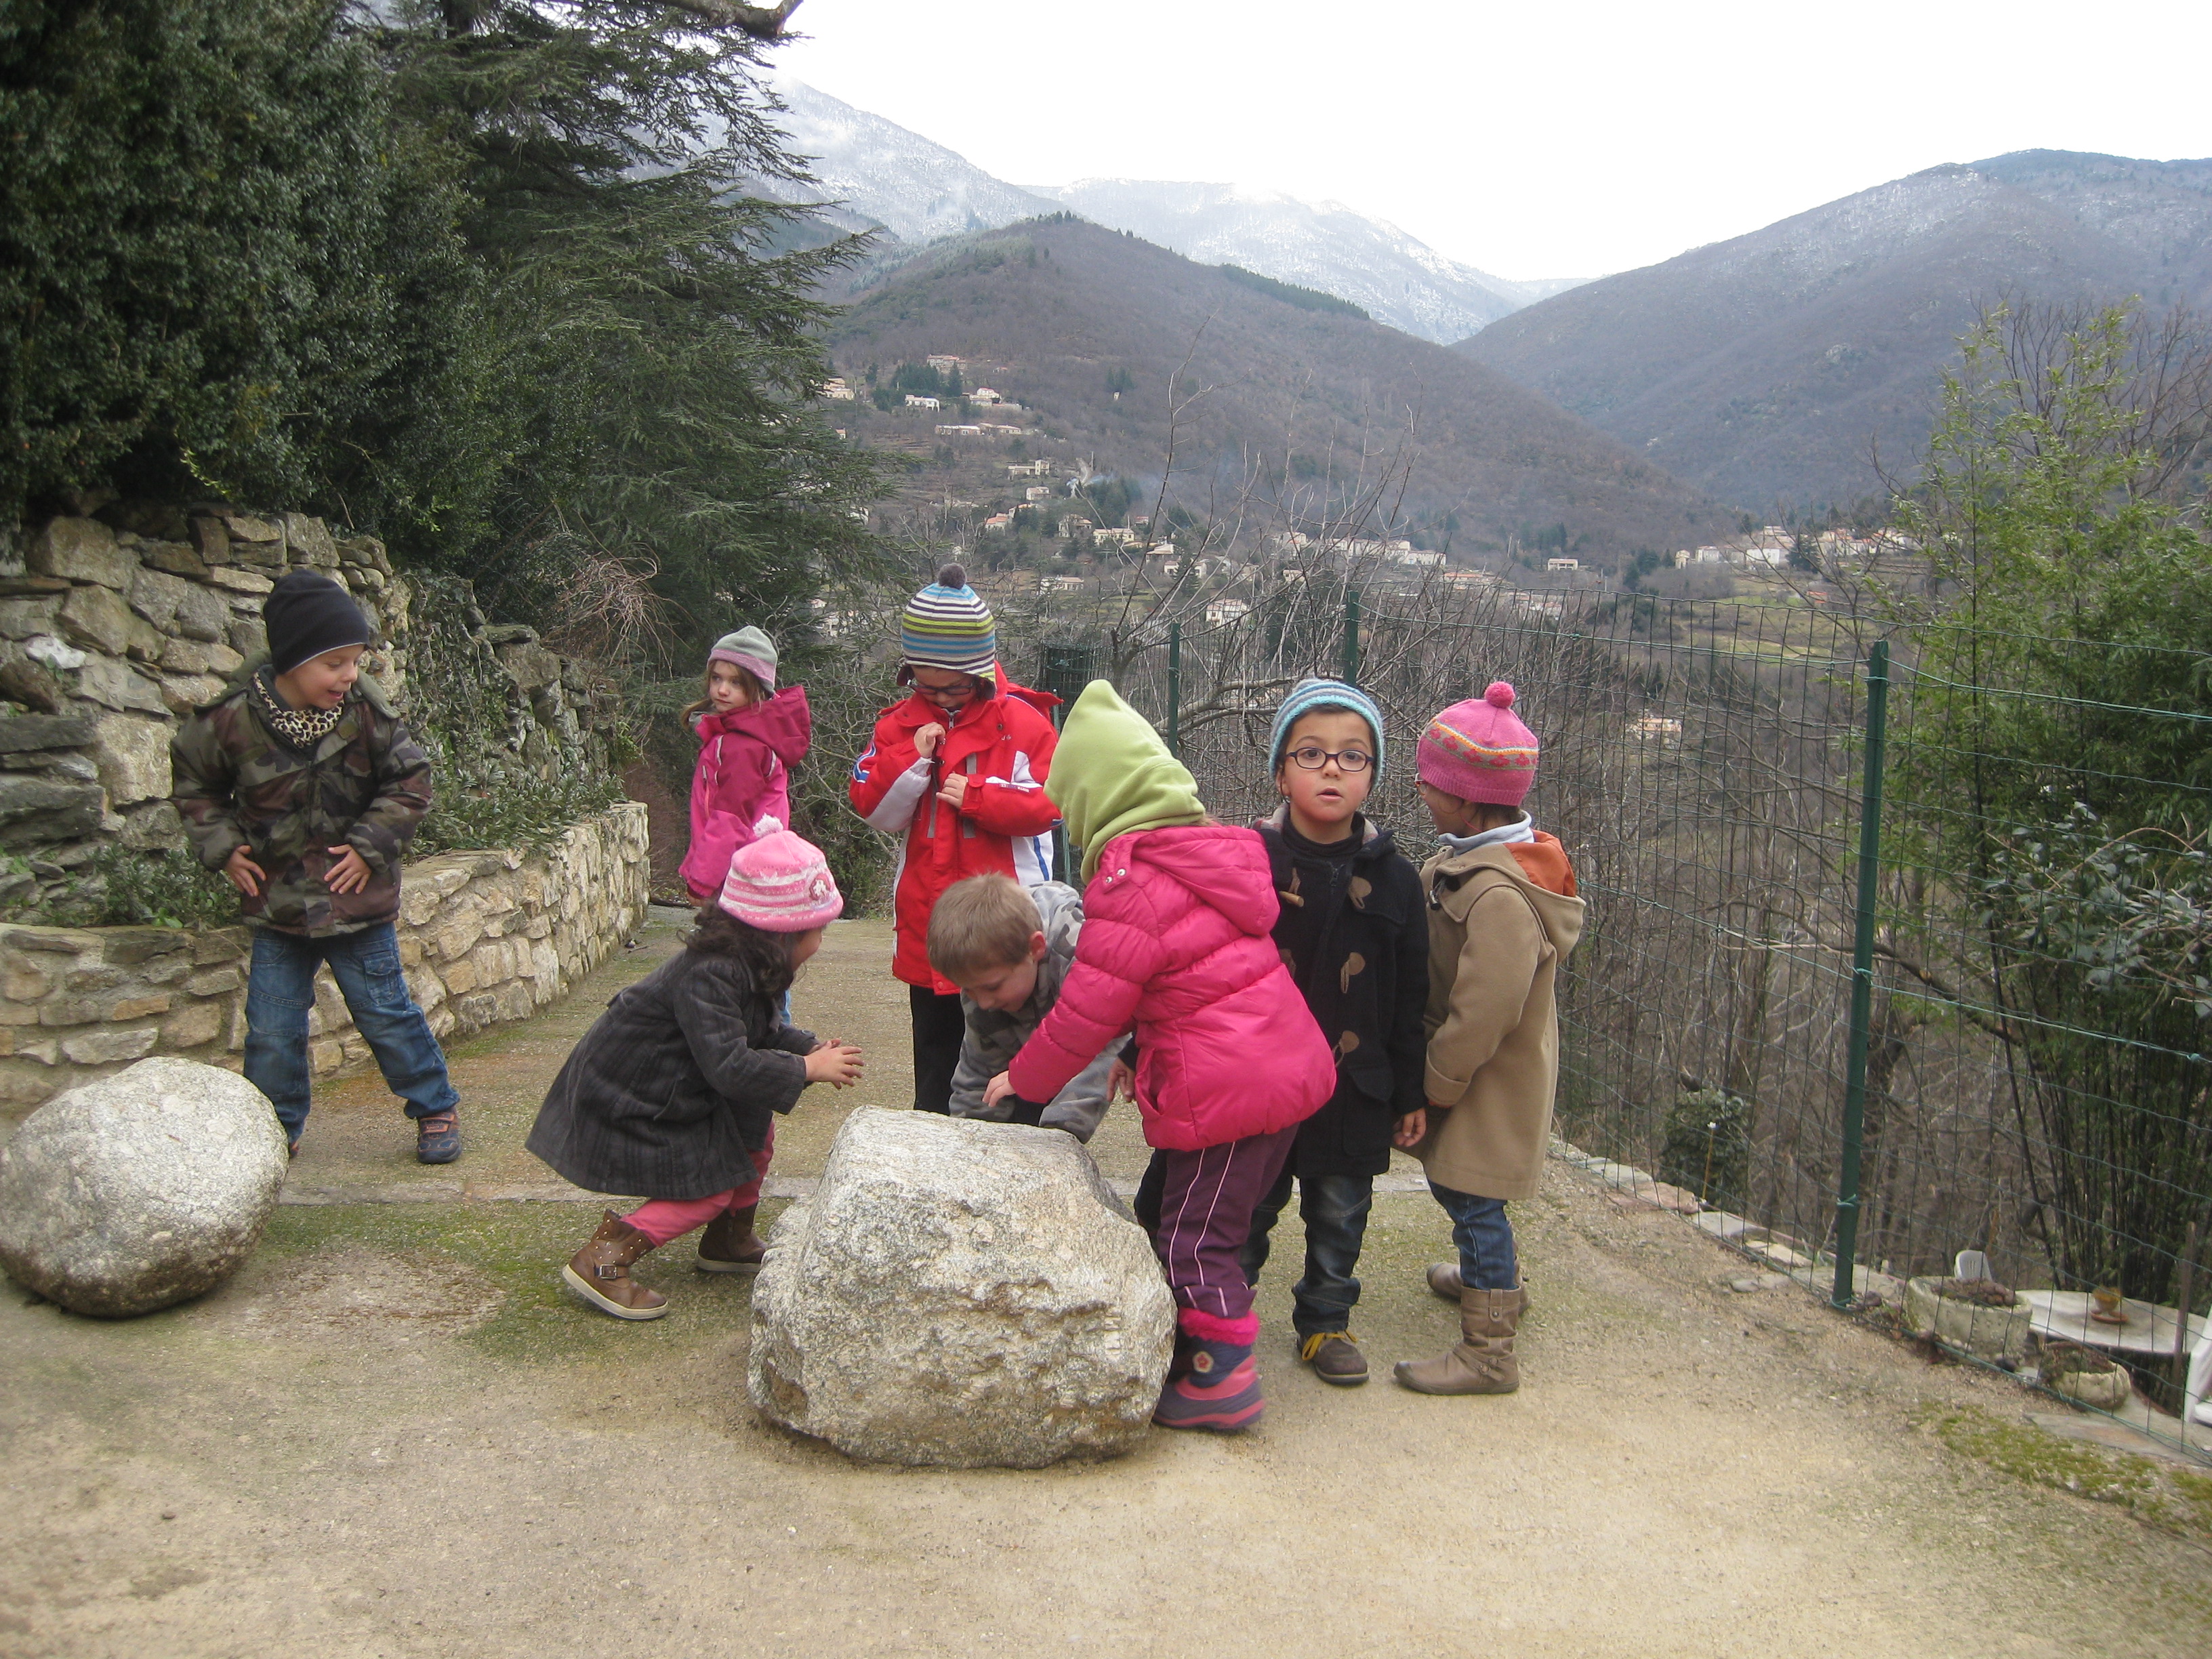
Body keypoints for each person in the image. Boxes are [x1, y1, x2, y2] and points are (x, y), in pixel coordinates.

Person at [986, 681, 1334, 1433]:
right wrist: (1141, 1054)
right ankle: (1199, 1345)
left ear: (1094, 805)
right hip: (1272, 1070)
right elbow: (1191, 979)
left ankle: (1223, 1381)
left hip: (1230, 1091)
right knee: (1186, 1214)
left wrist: (1024, 1076)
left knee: (1194, 1237)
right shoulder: (1205, 858)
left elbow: (1088, 1009)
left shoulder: (1130, 881)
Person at [171, 569, 461, 1162]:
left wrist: (369, 846)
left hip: (357, 903)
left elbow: (411, 780)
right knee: (272, 1031)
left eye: (355, 662)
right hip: (277, 906)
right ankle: (275, 1130)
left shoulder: (366, 714)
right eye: (335, 664)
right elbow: (195, 785)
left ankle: (435, 1107)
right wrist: (223, 848)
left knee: (386, 1014)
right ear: (293, 660)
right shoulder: (229, 721)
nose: (349, 675)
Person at [527, 818, 863, 1320]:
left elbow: (757, 1036)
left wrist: (807, 1048)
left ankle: (729, 1240)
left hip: (684, 1080)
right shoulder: (710, 973)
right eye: (818, 929)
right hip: (638, 1094)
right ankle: (603, 1260)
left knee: (756, 1129)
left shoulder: (748, 964)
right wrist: (805, 1069)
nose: (821, 940)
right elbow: (730, 1065)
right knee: (709, 1188)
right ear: (780, 932)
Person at [1393, 682, 1584, 1395]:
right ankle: (1491, 1280)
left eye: (1434, 783)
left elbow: (1484, 1012)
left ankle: (1489, 1349)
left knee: (1472, 1197)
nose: (1420, 787)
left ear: (1470, 799)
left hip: (1484, 1078)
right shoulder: (1473, 859)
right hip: (1474, 1070)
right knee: (1462, 1191)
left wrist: (1434, 1085)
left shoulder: (1502, 895)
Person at [1238, 678, 1427, 1388]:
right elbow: (1191, 968)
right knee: (1247, 1207)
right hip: (1258, 1080)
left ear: (1373, 775)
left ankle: (1325, 1323)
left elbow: (1412, 994)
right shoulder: (1247, 861)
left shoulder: (1397, 880)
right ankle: (1220, 1318)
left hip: (1355, 1085)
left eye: (1353, 757)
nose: (1331, 769)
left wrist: (1411, 1088)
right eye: (1311, 753)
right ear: (1282, 771)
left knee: (1342, 1212)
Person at [848, 565, 1060, 1115]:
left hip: (1006, 924)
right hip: (929, 922)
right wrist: (911, 758)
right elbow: (875, 809)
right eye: (925, 684)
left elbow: (1049, 806)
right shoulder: (897, 724)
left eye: (954, 687)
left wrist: (978, 797)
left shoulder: (1025, 724)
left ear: (981, 674)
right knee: (937, 1068)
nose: (939, 697)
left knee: (1012, 1065)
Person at [927, 873, 1113, 1143]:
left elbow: (1102, 1050)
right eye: (968, 989)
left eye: (992, 988)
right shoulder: (983, 983)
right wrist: (970, 1144)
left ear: (1035, 948)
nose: (984, 1003)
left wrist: (1058, 1139)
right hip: (1036, 1063)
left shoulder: (1082, 954)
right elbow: (978, 1071)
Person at [676, 626, 812, 905]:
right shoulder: (740, 736)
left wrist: (702, 881)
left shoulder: (744, 747)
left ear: (759, 689)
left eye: (737, 683)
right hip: (745, 870)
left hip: (739, 874)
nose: (722, 690)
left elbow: (730, 820)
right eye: (717, 678)